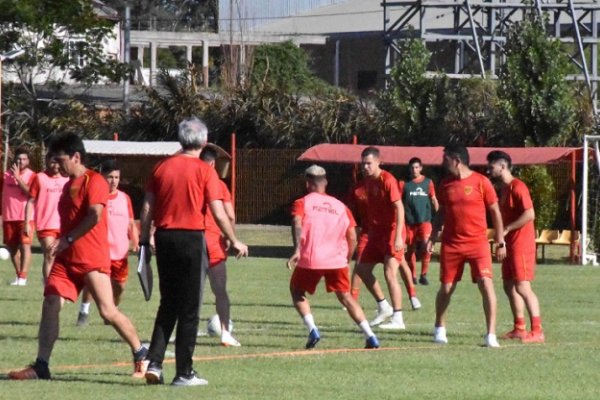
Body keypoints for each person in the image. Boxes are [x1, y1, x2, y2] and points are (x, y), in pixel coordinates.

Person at [8, 133, 148, 380]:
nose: (56, 164)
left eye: (60, 159)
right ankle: (41, 365)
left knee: (108, 312)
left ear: (76, 157)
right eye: (52, 159)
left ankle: (141, 353)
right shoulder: (65, 185)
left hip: (91, 258)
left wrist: (68, 239)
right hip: (66, 259)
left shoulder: (94, 181)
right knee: (50, 302)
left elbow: (94, 215)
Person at [139, 117, 248, 386]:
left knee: (168, 304)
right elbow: (218, 212)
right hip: (191, 239)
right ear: (203, 141)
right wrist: (234, 239)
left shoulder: (161, 168)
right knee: (189, 308)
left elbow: (147, 208)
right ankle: (184, 372)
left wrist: (143, 240)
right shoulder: (204, 170)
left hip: (164, 238)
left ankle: (154, 362)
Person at [287, 164, 380, 349]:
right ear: (325, 182)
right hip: (336, 260)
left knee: (297, 292)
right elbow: (352, 235)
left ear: (308, 183)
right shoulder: (340, 206)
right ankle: (370, 336)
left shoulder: (302, 202)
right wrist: (347, 257)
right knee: (346, 297)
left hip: (310, 259)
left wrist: (297, 249)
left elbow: (297, 223)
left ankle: (313, 329)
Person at [427, 144, 505, 348]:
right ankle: (439, 328)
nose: (443, 163)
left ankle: (491, 335)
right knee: (446, 288)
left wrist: (500, 241)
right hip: (452, 244)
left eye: (445, 159)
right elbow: (441, 212)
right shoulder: (445, 184)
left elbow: (495, 212)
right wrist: (432, 236)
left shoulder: (482, 182)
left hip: (477, 244)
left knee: (486, 285)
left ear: (456, 160)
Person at [355, 147, 421, 331]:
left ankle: (398, 318)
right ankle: (384, 306)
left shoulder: (388, 180)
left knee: (390, 271)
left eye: (368, 163)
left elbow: (399, 208)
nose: (365, 167)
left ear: (378, 162)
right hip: (376, 233)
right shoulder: (367, 181)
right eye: (363, 163)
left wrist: (399, 236)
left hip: (393, 231)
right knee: (362, 270)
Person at [487, 150, 544, 343]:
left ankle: (537, 330)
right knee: (509, 285)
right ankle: (519, 327)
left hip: (522, 244)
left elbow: (530, 214)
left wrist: (507, 229)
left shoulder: (518, 187)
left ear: (502, 167)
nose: (489, 169)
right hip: (509, 244)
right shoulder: (503, 189)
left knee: (523, 286)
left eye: (491, 166)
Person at [76, 159, 139, 327]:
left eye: (117, 177)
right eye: (110, 177)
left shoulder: (125, 198)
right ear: (102, 177)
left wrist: (135, 239)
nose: (114, 181)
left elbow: (131, 222)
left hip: (120, 252)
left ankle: (112, 311)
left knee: (120, 286)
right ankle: (84, 311)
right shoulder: (95, 196)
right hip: (99, 250)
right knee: (92, 283)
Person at [199, 147, 240, 347]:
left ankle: (183, 330)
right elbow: (229, 215)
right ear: (213, 164)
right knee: (220, 290)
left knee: (190, 291)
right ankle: (225, 332)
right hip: (214, 242)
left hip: (193, 241)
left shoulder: (191, 181)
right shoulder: (219, 186)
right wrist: (232, 239)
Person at [24, 154, 69, 284]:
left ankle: (58, 284)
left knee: (62, 258)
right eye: (52, 162)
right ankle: (50, 288)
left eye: (58, 163)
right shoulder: (39, 178)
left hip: (63, 225)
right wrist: (27, 223)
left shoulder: (66, 180)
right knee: (50, 255)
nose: (55, 166)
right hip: (45, 224)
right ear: (47, 161)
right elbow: (31, 201)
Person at [399, 157, 439, 286]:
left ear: (421, 168)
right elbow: (397, 202)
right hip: (409, 222)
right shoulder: (404, 183)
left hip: (425, 221)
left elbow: (434, 200)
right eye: (412, 167)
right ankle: (413, 275)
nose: (414, 170)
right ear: (409, 168)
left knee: (426, 246)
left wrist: (438, 217)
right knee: (410, 250)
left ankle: (424, 274)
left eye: (417, 167)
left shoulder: (428, 182)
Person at [2, 147, 36, 286]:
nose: (21, 161)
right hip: (8, 218)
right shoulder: (5, 175)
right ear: (14, 159)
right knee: (12, 248)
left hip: (25, 218)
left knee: (25, 246)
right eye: (18, 158)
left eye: (24, 159)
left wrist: (17, 177)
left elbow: (30, 193)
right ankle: (19, 277)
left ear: (28, 161)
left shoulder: (32, 175)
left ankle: (23, 276)